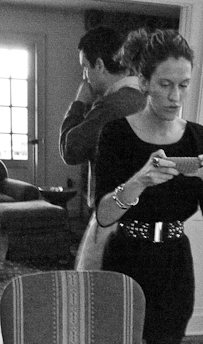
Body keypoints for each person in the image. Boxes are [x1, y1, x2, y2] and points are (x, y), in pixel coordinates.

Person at [95, 28, 203, 344]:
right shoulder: (116, 135)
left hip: (173, 264)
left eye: (183, 85)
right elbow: (103, 214)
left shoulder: (200, 138)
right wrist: (139, 180)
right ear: (144, 82)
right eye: (165, 84)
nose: (175, 96)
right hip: (125, 260)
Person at [59, 24, 146, 209]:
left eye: (85, 67)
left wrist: (79, 103)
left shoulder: (111, 107)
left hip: (113, 212)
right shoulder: (145, 98)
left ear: (99, 65)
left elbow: (70, 150)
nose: (84, 76)